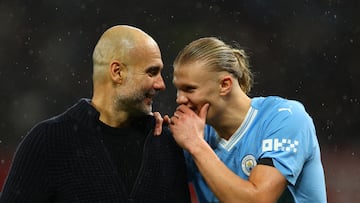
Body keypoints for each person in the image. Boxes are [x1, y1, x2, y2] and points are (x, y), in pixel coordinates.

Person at [0, 25, 191, 203]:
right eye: (152, 72)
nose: (161, 84)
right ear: (117, 72)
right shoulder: (50, 141)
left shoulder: (165, 144)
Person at [165, 37, 327, 203]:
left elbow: (258, 199)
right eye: (178, 89)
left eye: (189, 89)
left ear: (224, 85)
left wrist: (197, 146)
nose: (180, 99)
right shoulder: (194, 134)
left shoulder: (286, 118)